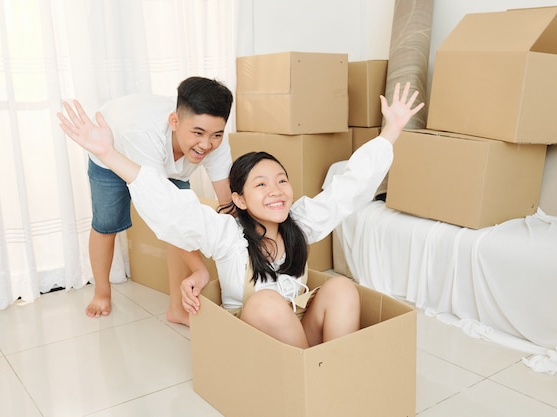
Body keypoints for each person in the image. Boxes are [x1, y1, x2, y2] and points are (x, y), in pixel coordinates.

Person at [58, 82, 424, 348]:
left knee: (341, 286)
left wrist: (391, 130)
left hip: (298, 330)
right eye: (261, 185)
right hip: (255, 340)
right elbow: (170, 208)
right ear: (241, 200)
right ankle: (308, 383)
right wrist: (107, 153)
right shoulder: (228, 234)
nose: (276, 189)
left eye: (281, 180)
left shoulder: (299, 222)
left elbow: (347, 190)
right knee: (266, 301)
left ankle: (335, 375)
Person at [80, 76, 234, 324]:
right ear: (174, 121)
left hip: (166, 162)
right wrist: (199, 269)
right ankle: (101, 291)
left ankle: (177, 309)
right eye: (198, 133)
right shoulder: (140, 134)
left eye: (215, 134)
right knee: (106, 224)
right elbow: (167, 215)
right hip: (112, 151)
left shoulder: (215, 139)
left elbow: (227, 202)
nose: (206, 144)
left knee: (185, 216)